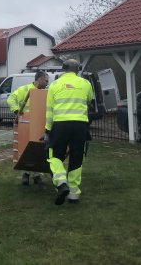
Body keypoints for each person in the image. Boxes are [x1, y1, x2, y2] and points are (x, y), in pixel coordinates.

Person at [44, 59, 93, 205]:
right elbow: (89, 100)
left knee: (53, 154)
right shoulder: (85, 84)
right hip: (80, 125)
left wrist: (47, 129)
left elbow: (50, 110)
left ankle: (61, 183)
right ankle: (74, 194)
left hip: (60, 125)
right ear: (77, 69)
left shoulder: (54, 85)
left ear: (63, 69)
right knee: (77, 157)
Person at [8, 70, 49, 185]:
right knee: (26, 150)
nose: (47, 83)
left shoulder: (46, 92)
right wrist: (17, 110)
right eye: (46, 80)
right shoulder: (25, 89)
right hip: (26, 124)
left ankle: (36, 175)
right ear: (39, 79)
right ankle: (26, 174)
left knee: (38, 149)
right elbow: (11, 99)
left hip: (39, 124)